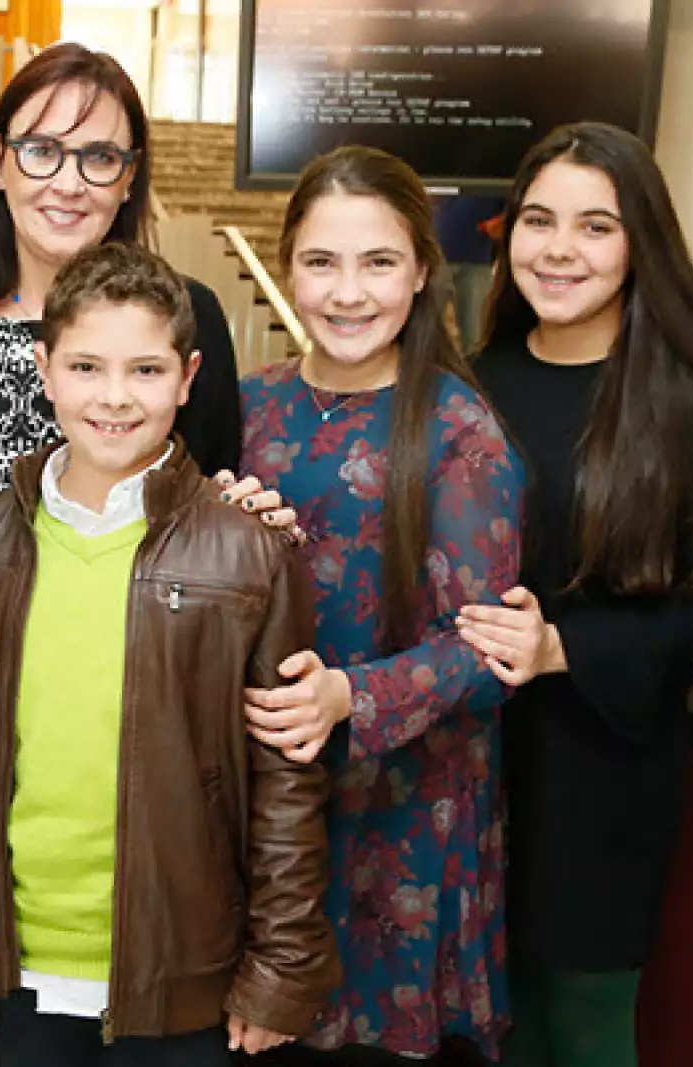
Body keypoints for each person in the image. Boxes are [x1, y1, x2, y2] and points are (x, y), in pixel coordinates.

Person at [0, 41, 243, 1051]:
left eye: (100, 158)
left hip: (130, 746)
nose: (67, 181)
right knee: (9, 1020)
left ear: (130, 181)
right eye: (41, 149)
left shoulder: (189, 315)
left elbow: (213, 510)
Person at [0, 242, 339, 1067]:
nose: (113, 396)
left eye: (144, 370)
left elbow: (285, 785)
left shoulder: (250, 552)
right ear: (46, 369)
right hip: (24, 956)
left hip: (184, 961)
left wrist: (282, 965)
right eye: (87, 366)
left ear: (188, 374)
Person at [459, 122, 693, 1067]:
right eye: (539, 220)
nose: (559, 249)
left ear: (643, 243)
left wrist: (563, 645)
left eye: (595, 227)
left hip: (605, 764)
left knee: (587, 1022)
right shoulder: (469, 387)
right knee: (493, 1025)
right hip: (472, 763)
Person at [229, 146, 524, 1063]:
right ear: (288, 269)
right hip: (262, 812)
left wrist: (345, 698)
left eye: (378, 262)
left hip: (403, 823)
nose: (347, 292)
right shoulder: (246, 409)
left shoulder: (459, 429)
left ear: (423, 271)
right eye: (321, 262)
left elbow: (485, 652)